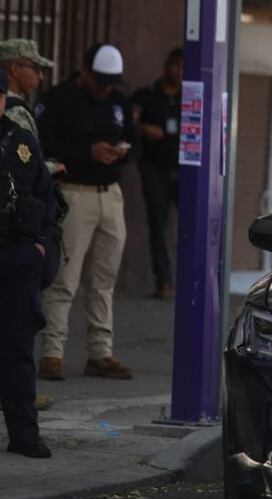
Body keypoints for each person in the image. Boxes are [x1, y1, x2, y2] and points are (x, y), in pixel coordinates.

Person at [36, 43, 135, 381]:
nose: (106, 87)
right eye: (101, 80)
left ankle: (100, 352)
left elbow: (132, 140)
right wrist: (86, 152)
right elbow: (43, 145)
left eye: (111, 81)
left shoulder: (118, 100)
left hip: (111, 194)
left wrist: (121, 152)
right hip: (75, 192)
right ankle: (52, 352)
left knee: (104, 279)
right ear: (84, 70)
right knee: (65, 277)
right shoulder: (59, 99)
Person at [0, 38, 64, 412]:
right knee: (18, 330)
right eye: (33, 67)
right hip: (15, 239)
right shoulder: (17, 116)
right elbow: (29, 170)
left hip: (22, 240)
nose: (40, 74)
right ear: (14, 69)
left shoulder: (24, 111)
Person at [132, 47, 182, 300]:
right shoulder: (148, 95)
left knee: (192, 225)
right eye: (175, 65)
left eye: (184, 67)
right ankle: (164, 281)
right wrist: (143, 128)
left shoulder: (190, 98)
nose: (179, 71)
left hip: (185, 172)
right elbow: (130, 119)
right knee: (158, 227)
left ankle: (188, 280)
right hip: (155, 170)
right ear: (166, 66)